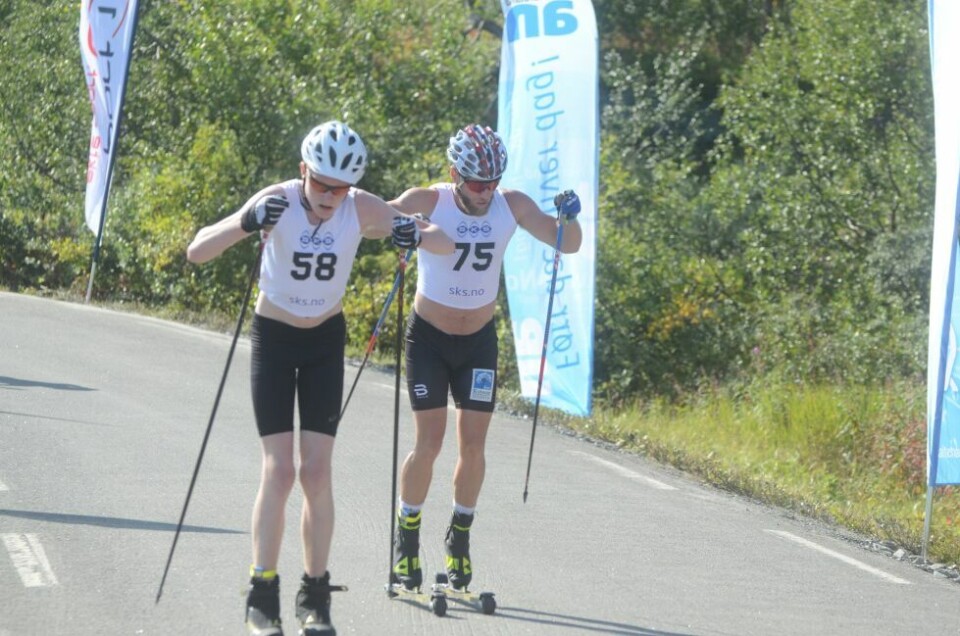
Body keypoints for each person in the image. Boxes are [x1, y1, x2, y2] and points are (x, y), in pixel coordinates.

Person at [186, 120, 453, 636]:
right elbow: (197, 250)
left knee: (316, 472)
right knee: (280, 470)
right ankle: (262, 593)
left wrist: (409, 232)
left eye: (341, 186)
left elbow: (441, 241)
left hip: (325, 343)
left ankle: (315, 596)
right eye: (322, 183)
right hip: (275, 337)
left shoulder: (360, 206)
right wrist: (247, 220)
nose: (331, 196)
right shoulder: (279, 199)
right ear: (303, 171)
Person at [387, 124, 582, 592]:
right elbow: (372, 218)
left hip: (478, 343)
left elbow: (567, 242)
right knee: (428, 443)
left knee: (473, 446)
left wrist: (569, 217)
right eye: (477, 183)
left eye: (493, 181)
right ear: (455, 173)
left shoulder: (509, 204)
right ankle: (407, 536)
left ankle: (460, 537)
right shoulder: (427, 199)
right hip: (429, 339)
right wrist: (401, 229)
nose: (486, 191)